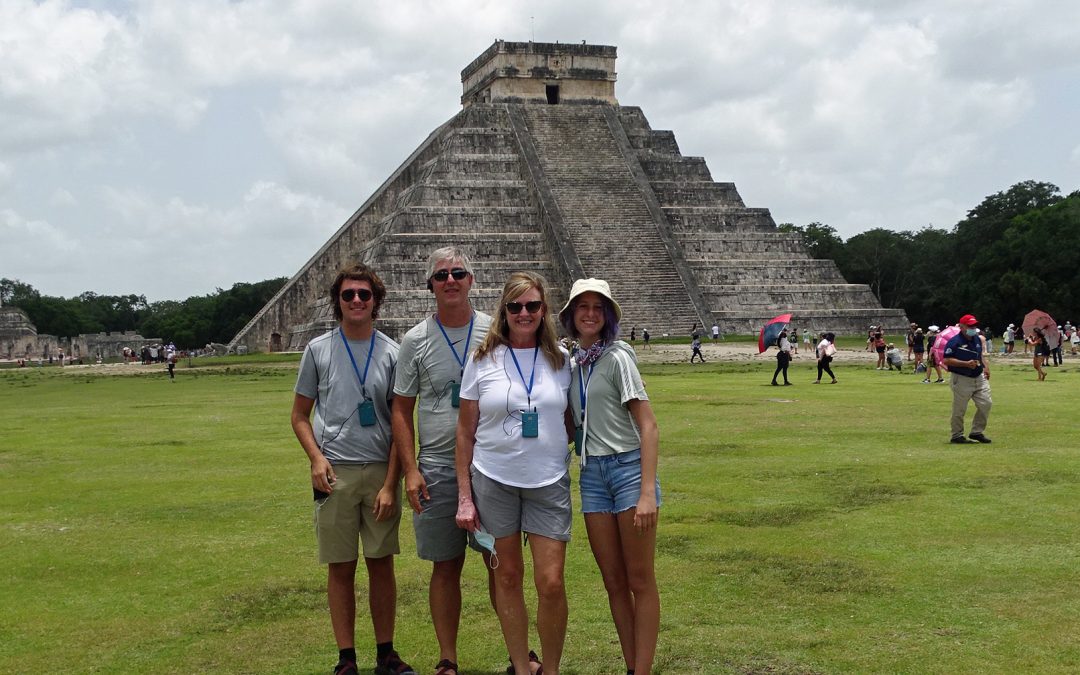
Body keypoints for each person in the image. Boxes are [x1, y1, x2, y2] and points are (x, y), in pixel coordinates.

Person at [290, 264, 414, 675]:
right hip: (335, 471)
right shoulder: (318, 350)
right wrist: (316, 458)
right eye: (348, 295)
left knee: (382, 563)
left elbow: (401, 423)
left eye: (364, 294)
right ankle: (346, 657)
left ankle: (386, 654)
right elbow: (300, 415)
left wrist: (391, 483)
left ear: (376, 301)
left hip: (379, 470)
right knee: (340, 566)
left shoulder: (393, 352)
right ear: (337, 302)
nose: (357, 301)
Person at [455, 272, 572, 675]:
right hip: (493, 479)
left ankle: (551, 668)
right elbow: (465, 432)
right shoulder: (481, 359)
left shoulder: (561, 359)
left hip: (549, 481)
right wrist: (464, 496)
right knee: (507, 578)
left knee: (551, 582)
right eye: (515, 306)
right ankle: (523, 668)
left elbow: (573, 420)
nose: (524, 313)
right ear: (503, 311)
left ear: (544, 310)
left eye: (533, 306)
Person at [391, 248, 498, 675]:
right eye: (440, 275)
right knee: (445, 564)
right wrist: (410, 470)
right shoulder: (415, 340)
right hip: (435, 463)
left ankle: (517, 650)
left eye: (457, 273)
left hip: (489, 461)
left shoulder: (495, 329)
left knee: (499, 561)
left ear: (472, 280)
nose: (449, 280)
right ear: (430, 286)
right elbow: (401, 408)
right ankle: (447, 658)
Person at [558, 279, 661, 675]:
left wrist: (647, 492)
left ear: (608, 315)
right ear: (570, 315)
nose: (589, 314)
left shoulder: (617, 358)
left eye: (597, 307)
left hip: (627, 470)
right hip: (592, 474)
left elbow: (648, 426)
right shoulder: (574, 363)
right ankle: (632, 665)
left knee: (639, 579)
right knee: (613, 582)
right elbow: (570, 423)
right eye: (581, 307)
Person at [942, 314, 992, 444]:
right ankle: (957, 435)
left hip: (978, 376)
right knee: (959, 409)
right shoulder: (954, 342)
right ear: (962, 326)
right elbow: (946, 360)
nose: (973, 328)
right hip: (961, 378)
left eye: (974, 325)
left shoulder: (976, 339)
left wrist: (986, 367)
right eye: (970, 326)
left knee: (986, 403)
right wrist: (965, 364)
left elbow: (980, 354)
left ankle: (977, 432)